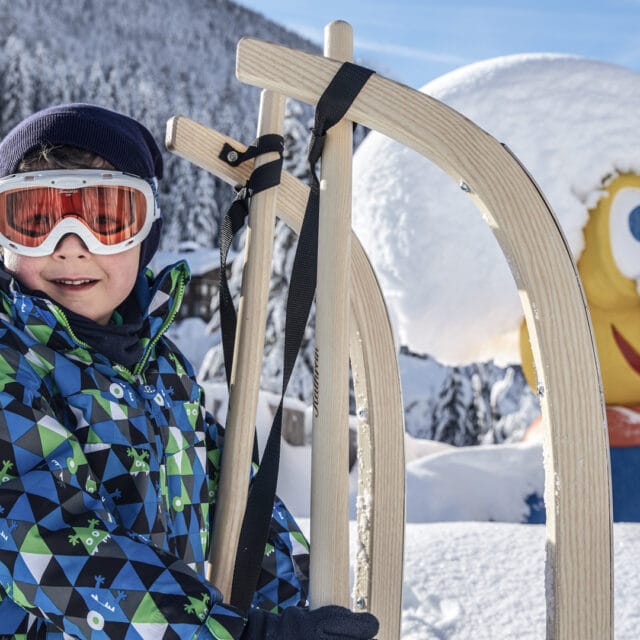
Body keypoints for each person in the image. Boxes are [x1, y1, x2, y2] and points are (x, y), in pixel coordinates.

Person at [0, 104, 379, 639]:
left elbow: (238, 507)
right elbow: (48, 547)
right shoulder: (10, 366)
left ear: (146, 233)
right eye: (35, 220)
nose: (69, 247)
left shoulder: (163, 372)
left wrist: (301, 606)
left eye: (106, 219)